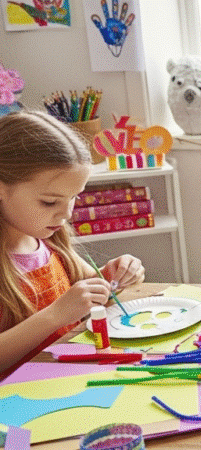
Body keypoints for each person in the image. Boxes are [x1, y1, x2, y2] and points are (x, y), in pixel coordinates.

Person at [0, 111, 144, 377]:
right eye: (49, 202)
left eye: (74, 198)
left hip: (66, 382)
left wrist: (113, 275)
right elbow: (62, 310)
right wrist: (56, 315)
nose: (67, 214)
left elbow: (89, 285)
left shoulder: (45, 239)